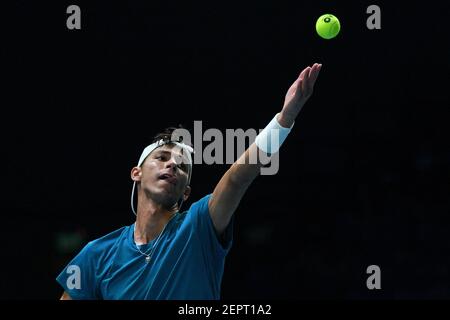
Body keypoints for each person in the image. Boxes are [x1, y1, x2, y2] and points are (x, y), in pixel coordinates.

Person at [56, 63, 322, 300]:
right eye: (161, 158)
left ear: (186, 193)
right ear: (136, 173)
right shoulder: (96, 254)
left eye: (182, 166)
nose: (172, 164)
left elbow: (236, 180)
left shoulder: (198, 226)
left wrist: (284, 120)